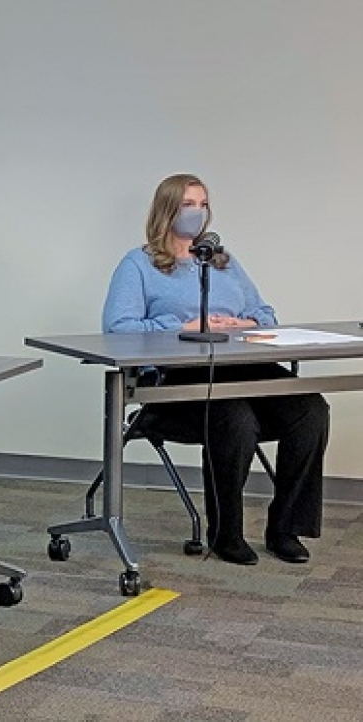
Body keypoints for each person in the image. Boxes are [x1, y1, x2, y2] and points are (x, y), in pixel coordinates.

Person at [102, 174, 329, 565]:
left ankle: (284, 528)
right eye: (189, 204)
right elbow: (118, 329)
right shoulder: (139, 264)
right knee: (235, 418)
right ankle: (226, 533)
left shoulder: (223, 261)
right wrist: (183, 328)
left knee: (311, 410)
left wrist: (245, 324)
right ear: (167, 209)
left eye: (203, 204)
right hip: (178, 381)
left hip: (240, 368)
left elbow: (265, 313)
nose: (198, 213)